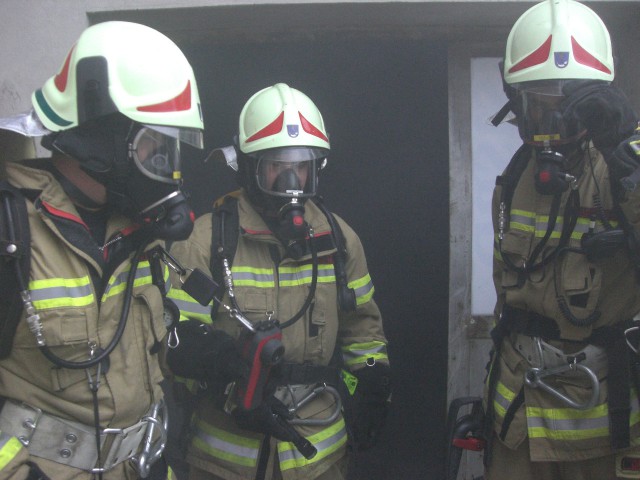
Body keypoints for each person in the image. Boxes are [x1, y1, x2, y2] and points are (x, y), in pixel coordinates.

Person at [0, 21, 205, 479]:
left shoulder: (139, 236)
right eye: (154, 146)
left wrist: (200, 351)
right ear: (101, 139)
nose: (165, 168)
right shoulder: (11, 229)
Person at [165, 83, 390, 480]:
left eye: (301, 166)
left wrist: (372, 384)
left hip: (318, 457)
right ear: (249, 167)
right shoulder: (205, 241)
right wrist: (231, 384)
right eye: (277, 166)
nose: (291, 178)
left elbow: (363, 330)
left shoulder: (339, 240)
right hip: (226, 461)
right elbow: (174, 341)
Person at [482, 0, 640, 478]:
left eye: (567, 107)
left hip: (600, 418)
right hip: (517, 418)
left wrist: (624, 152)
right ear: (516, 102)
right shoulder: (514, 180)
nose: (551, 124)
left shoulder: (624, 164)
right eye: (538, 105)